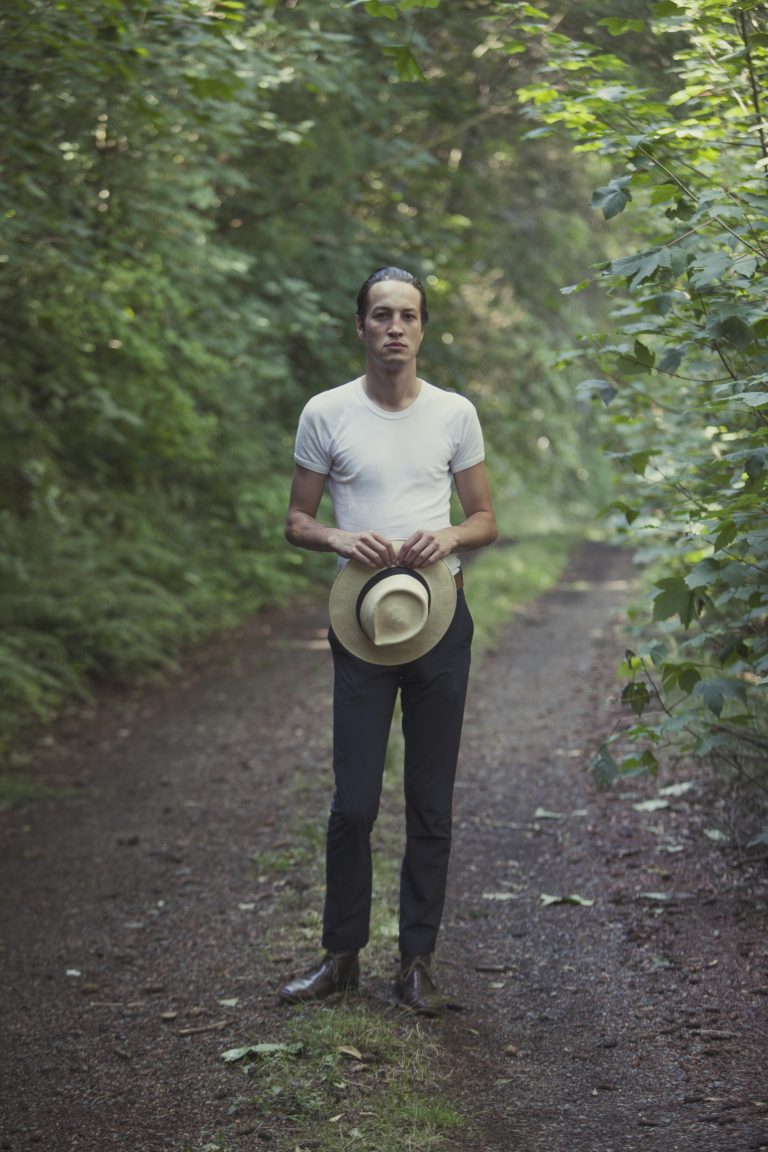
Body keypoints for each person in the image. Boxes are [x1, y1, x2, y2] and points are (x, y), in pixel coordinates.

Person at [278, 266, 497, 1015]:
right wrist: (340, 536)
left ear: (423, 327)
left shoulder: (455, 413)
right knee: (354, 803)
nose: (395, 327)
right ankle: (340, 957)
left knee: (430, 803)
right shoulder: (326, 412)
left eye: (408, 315)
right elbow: (297, 521)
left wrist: (449, 535)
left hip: (439, 620)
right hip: (362, 623)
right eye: (381, 315)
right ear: (362, 326)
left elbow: (485, 520)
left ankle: (417, 963)